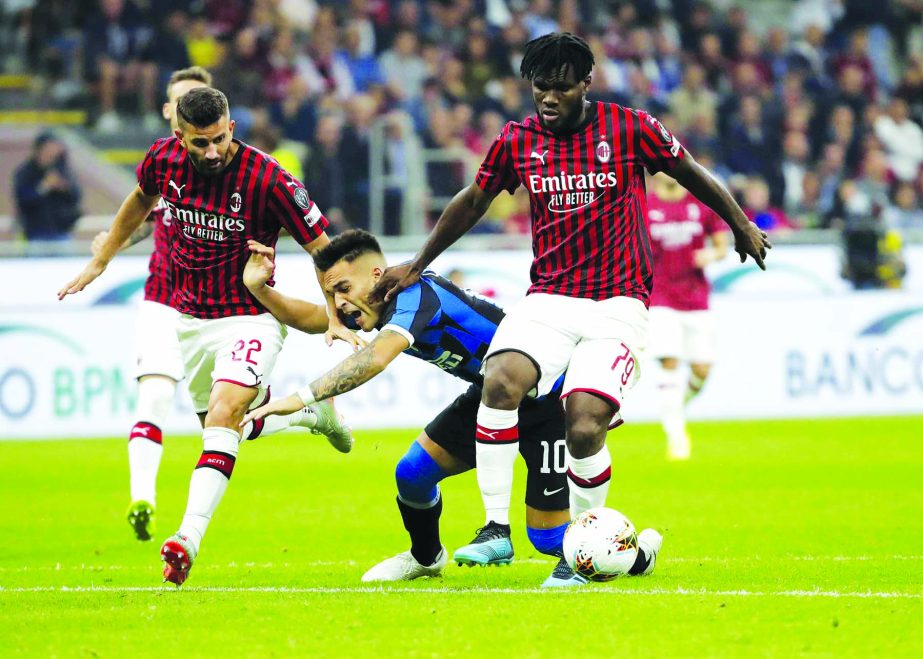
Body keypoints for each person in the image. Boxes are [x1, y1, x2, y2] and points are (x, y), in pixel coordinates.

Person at [374, 33, 770, 567]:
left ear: (587, 83)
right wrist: (417, 264)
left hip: (618, 304)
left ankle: (584, 551)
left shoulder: (632, 128)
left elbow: (690, 172)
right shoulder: (517, 140)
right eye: (540, 88)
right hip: (548, 300)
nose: (549, 98)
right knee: (500, 381)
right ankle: (495, 529)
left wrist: (739, 222)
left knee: (584, 426)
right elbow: (473, 201)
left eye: (561, 87)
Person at [240, 230, 659, 586]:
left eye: (344, 290)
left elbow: (376, 359)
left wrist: (298, 400)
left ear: (375, 274)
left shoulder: (416, 294)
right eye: (333, 294)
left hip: (546, 399)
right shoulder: (378, 303)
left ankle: (639, 554)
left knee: (549, 540)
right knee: (412, 473)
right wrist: (262, 289)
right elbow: (312, 317)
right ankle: (426, 558)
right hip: (491, 395)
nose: (340, 305)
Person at [58, 87, 354, 586]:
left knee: (223, 413)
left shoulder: (270, 179)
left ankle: (186, 540)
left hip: (249, 315)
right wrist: (102, 258)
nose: (212, 152)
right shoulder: (162, 160)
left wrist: (336, 313)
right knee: (223, 428)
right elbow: (138, 200)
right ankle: (308, 413)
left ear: (231, 128)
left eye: (219, 139)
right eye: (201, 144)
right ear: (180, 136)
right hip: (189, 320)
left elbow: (323, 248)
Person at [646, 172, 730, 460]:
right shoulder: (645, 207)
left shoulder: (700, 204)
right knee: (670, 360)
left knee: (702, 370)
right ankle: (677, 438)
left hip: (696, 298)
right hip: (660, 297)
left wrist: (712, 255)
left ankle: (676, 407)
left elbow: (721, 244)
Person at [13, 131, 82, 240]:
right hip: (35, 232)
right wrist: (44, 187)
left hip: (61, 230)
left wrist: (64, 188)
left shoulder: (62, 169)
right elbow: (22, 199)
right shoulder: (26, 172)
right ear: (39, 149)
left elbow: (76, 196)